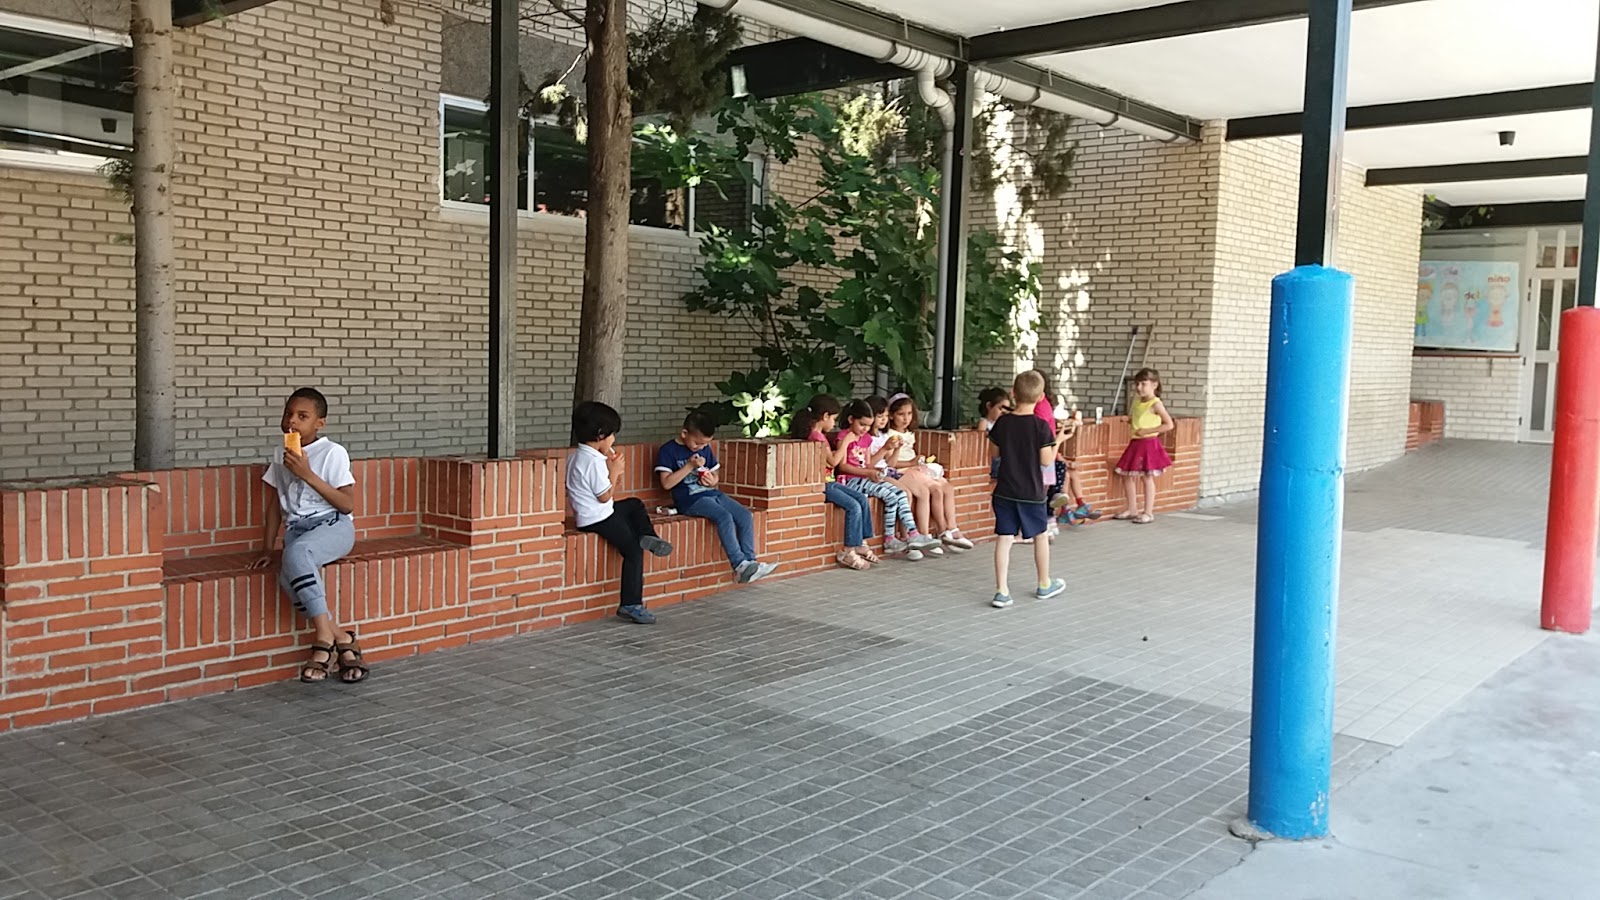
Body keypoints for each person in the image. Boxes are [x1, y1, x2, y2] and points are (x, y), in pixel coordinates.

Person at [248, 388, 369, 684]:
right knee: (288, 581)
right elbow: (276, 505)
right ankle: (342, 637)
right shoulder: (280, 454)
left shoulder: (332, 453)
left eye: (303, 417)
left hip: (333, 526)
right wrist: (266, 548)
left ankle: (324, 640)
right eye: (288, 414)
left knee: (297, 556)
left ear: (319, 423)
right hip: (297, 533)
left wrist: (307, 473)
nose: (292, 422)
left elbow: (347, 504)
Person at [569, 402, 674, 624]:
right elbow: (604, 496)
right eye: (612, 436)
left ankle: (649, 536)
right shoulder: (592, 462)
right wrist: (615, 473)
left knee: (635, 504)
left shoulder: (581, 456)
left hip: (597, 511)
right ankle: (631, 603)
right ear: (600, 435)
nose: (613, 441)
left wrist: (612, 471)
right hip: (598, 517)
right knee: (633, 551)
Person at [657, 411, 778, 584]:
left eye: (704, 444)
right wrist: (690, 465)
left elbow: (715, 477)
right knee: (724, 517)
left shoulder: (705, 449)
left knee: (744, 515)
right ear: (684, 434)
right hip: (689, 499)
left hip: (711, 493)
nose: (700, 447)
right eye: (697, 443)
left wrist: (711, 480)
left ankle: (751, 562)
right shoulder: (668, 451)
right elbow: (667, 483)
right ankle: (739, 565)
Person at [988, 370, 1069, 609]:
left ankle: (1001, 591)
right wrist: (1058, 441)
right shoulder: (1041, 426)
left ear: (1013, 393)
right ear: (1041, 396)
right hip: (1032, 491)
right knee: (1040, 535)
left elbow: (994, 454)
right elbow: (1046, 461)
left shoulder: (1003, 422)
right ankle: (1044, 583)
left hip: (1004, 489)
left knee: (1004, 538)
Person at [834, 400, 938, 561]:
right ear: (850, 420)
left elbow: (868, 463)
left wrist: (874, 471)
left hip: (865, 477)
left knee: (900, 493)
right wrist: (868, 472)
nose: (865, 429)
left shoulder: (866, 438)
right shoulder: (844, 437)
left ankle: (911, 534)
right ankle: (891, 539)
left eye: (868, 426)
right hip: (851, 480)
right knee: (889, 495)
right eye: (862, 424)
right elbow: (843, 467)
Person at [790, 395, 880, 571]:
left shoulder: (819, 435)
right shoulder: (816, 437)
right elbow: (833, 462)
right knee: (853, 506)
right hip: (823, 484)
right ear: (824, 417)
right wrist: (845, 443)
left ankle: (861, 541)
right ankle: (848, 550)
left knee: (861, 498)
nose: (833, 423)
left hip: (830, 481)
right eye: (833, 419)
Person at [887, 394, 973, 550]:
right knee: (933, 491)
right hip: (903, 471)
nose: (906, 418)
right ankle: (932, 532)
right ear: (891, 415)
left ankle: (951, 528)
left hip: (914, 467)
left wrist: (919, 461)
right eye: (901, 414)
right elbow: (890, 463)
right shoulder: (889, 436)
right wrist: (911, 463)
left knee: (947, 488)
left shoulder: (909, 433)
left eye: (909, 414)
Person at [1114, 368, 1175, 525]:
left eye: (1143, 384)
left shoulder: (1156, 404)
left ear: (1154, 385)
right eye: (1137, 384)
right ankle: (1132, 508)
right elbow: (1139, 418)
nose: (1139, 387)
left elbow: (1168, 424)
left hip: (1148, 443)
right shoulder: (1137, 402)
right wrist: (1128, 420)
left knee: (1147, 477)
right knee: (1127, 475)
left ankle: (1148, 512)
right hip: (1135, 442)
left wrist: (1149, 430)